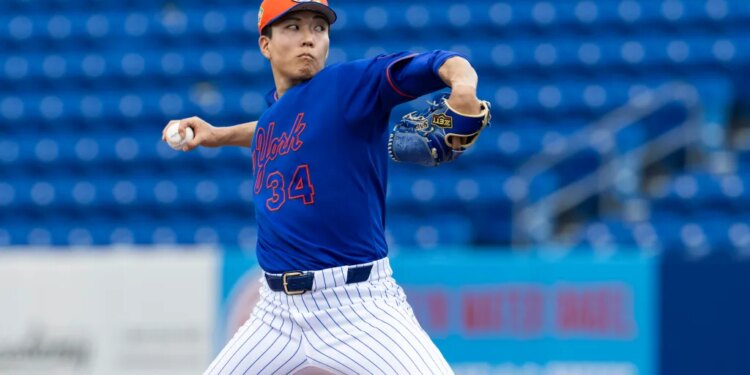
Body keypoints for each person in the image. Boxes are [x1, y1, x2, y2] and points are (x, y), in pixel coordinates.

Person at [162, 0, 485, 373]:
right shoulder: (276, 113)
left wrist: (464, 85)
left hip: (358, 308)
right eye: (293, 27)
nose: (308, 39)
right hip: (275, 315)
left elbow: (440, 62)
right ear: (265, 44)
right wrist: (220, 135)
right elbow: (277, 128)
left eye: (319, 28)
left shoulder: (349, 86)